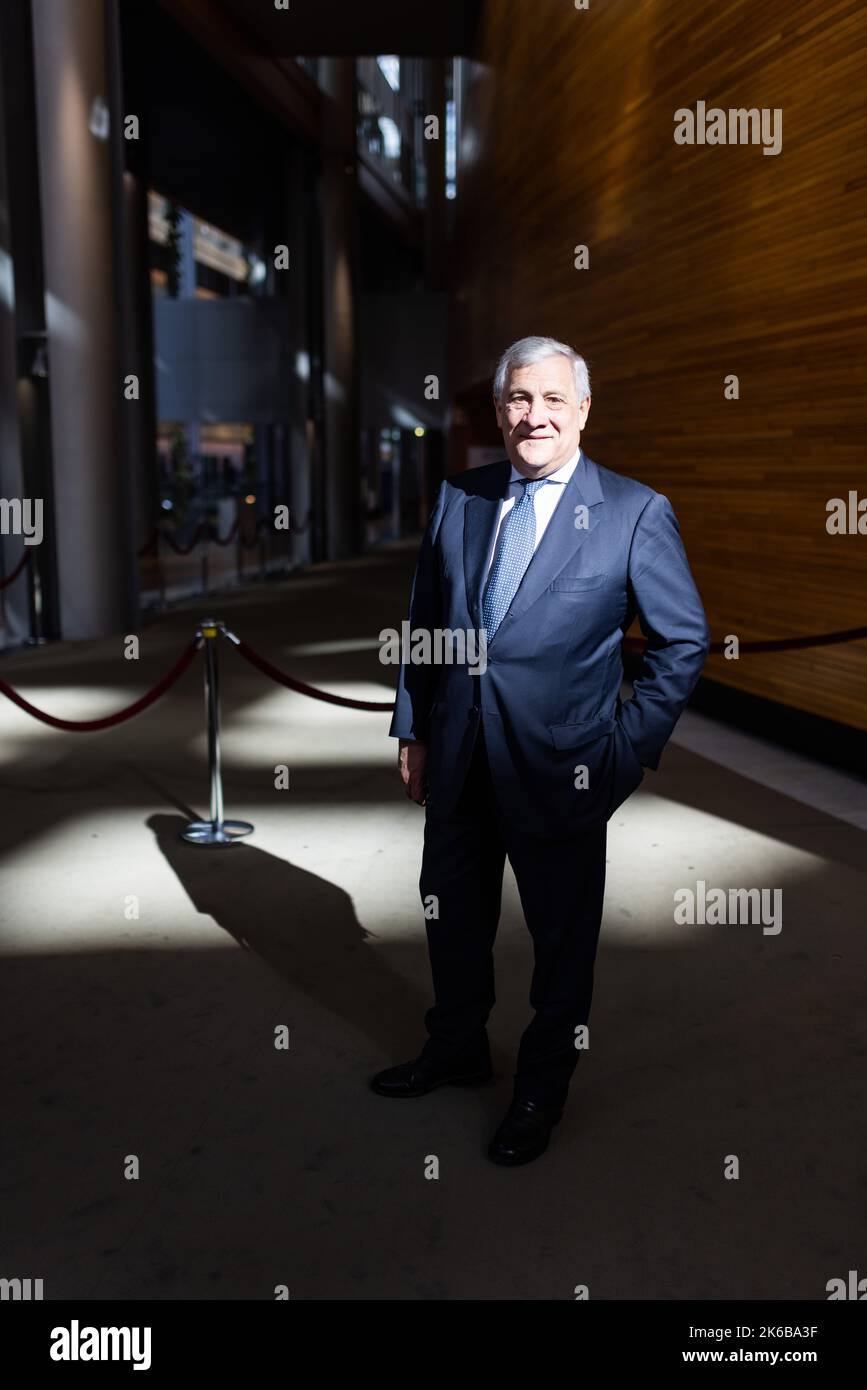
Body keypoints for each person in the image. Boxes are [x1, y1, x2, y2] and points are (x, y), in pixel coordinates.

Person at [372, 335, 710, 1165]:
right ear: (498, 411)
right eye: (520, 400)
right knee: (450, 916)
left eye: (553, 399)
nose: (535, 416)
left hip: (566, 767)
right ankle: (455, 1046)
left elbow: (681, 644)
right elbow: (427, 623)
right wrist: (414, 727)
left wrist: (623, 753)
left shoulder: (634, 512)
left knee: (561, 942)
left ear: (583, 410)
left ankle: (540, 1087)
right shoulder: (460, 496)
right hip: (457, 756)